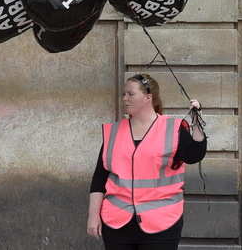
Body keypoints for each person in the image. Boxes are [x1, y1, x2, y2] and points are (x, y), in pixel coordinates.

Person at [87, 73, 206, 250]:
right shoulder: (113, 132)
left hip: (162, 223)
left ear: (148, 97)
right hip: (117, 222)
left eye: (130, 94)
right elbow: (99, 178)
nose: (124, 98)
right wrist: (93, 216)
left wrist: (197, 121)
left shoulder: (172, 128)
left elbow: (194, 155)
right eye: (124, 94)